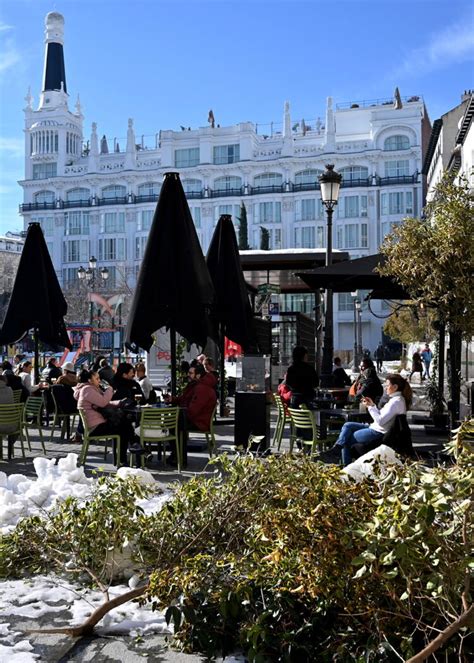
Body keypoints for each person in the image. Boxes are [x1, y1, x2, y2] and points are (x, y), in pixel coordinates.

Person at [321, 374, 412, 466]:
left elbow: (380, 421)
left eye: (387, 385)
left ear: (395, 387)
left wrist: (370, 407)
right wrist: (372, 405)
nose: (385, 388)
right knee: (347, 425)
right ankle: (337, 448)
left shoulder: (395, 402)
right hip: (375, 427)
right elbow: (382, 417)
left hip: (377, 431)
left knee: (346, 440)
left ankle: (345, 466)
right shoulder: (397, 400)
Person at [74, 369, 141, 466]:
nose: (99, 380)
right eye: (97, 378)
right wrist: (109, 388)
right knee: (124, 427)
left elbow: (104, 403)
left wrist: (119, 402)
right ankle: (129, 452)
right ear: (89, 380)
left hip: (97, 424)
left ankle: (126, 456)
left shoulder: (90, 389)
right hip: (94, 427)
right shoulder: (87, 389)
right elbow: (103, 402)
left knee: (124, 425)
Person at [164, 363, 217, 465]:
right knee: (173, 423)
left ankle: (178, 457)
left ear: (198, 375)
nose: (188, 375)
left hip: (199, 421)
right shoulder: (196, 385)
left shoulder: (202, 388)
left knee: (173, 425)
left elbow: (193, 410)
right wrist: (173, 399)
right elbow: (185, 399)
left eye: (190, 373)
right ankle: (177, 455)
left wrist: (180, 412)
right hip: (195, 418)